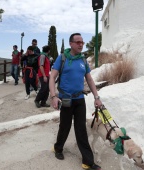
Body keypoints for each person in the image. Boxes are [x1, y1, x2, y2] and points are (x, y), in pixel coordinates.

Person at [49, 33, 103, 170]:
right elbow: (52, 77)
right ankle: (58, 148)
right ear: (71, 43)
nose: (81, 44)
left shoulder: (83, 60)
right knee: (65, 127)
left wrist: (97, 97)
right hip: (66, 99)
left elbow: (89, 79)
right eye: (78, 42)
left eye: (82, 42)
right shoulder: (62, 58)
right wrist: (54, 96)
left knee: (81, 130)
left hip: (79, 100)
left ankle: (88, 162)